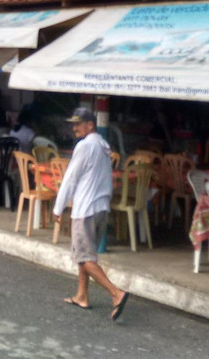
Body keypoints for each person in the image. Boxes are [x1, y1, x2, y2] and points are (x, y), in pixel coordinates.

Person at [54, 107, 129, 322]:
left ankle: (116, 294)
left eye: (79, 124)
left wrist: (58, 208)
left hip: (85, 209)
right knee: (84, 254)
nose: (74, 127)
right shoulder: (103, 146)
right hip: (100, 208)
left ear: (90, 125)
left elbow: (70, 179)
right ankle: (82, 295)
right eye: (74, 124)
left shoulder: (85, 146)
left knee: (84, 257)